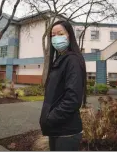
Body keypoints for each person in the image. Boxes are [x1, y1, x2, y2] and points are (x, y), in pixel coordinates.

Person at [39, 20, 87, 151]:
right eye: (52, 35)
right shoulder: (59, 61)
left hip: (67, 132)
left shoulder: (72, 60)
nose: (56, 38)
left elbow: (73, 99)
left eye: (60, 33)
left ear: (69, 35)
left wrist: (50, 118)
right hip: (56, 130)